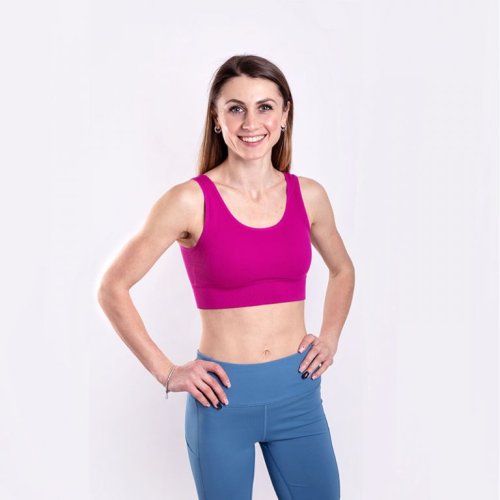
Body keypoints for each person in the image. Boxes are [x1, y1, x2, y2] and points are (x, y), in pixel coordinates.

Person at [97, 54, 355, 500]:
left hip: (298, 396)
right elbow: (112, 287)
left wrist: (329, 337)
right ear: (216, 119)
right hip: (221, 401)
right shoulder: (188, 201)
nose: (251, 123)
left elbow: (343, 268)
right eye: (236, 108)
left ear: (284, 114)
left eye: (264, 107)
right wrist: (167, 372)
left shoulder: (309, 196)